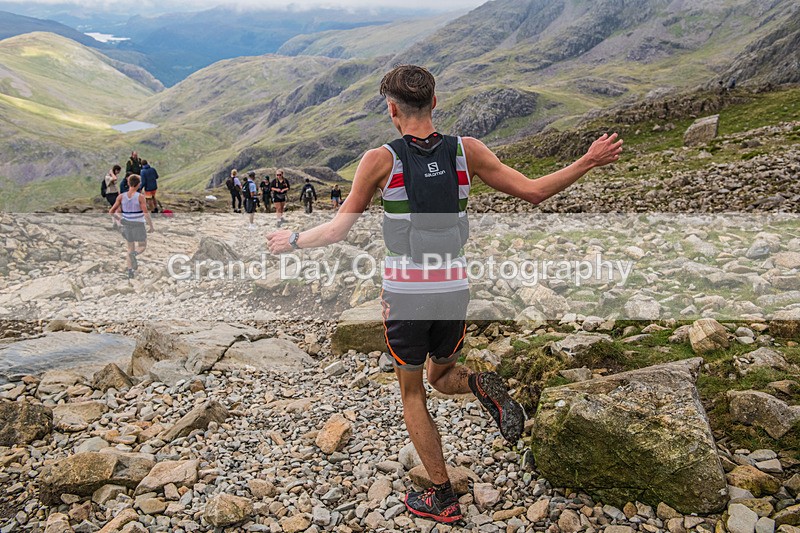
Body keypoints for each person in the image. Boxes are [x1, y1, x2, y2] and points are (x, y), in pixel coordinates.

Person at [268, 64, 623, 524]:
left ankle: (442, 497)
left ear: (392, 110)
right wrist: (587, 161)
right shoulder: (466, 151)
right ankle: (480, 385)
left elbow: (338, 229)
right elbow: (534, 192)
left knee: (414, 391)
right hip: (453, 284)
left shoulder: (381, 160)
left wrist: (293, 239)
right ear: (434, 103)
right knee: (444, 372)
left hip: (407, 291)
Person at [109, 174, 154, 279]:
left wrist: (120, 220)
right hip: (138, 224)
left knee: (129, 247)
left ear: (128, 183)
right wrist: (151, 226)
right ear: (138, 184)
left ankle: (130, 272)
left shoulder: (121, 196)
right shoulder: (140, 197)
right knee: (142, 245)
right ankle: (135, 254)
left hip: (127, 223)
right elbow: (145, 213)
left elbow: (111, 211)